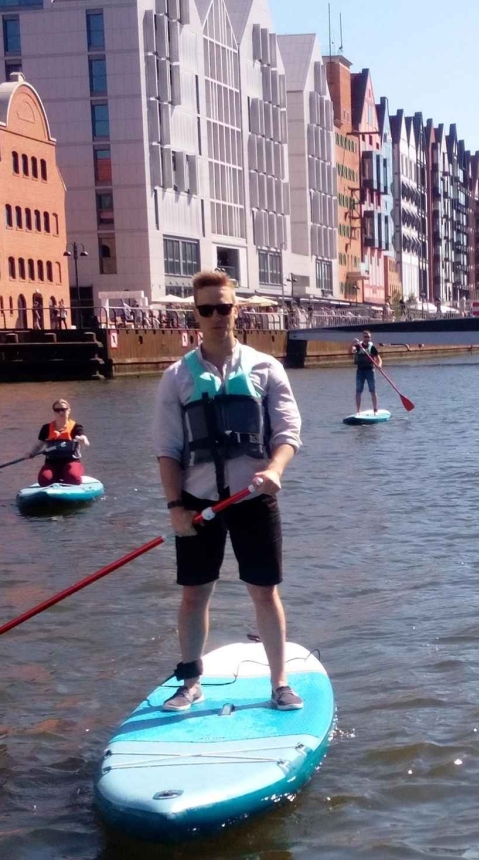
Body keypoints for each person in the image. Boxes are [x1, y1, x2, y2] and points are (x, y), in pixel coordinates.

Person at [153, 269, 304, 713]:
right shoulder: (176, 377)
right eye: (207, 309)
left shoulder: (266, 367)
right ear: (196, 314)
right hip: (199, 504)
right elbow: (167, 449)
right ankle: (189, 681)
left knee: (264, 590)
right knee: (194, 593)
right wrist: (175, 507)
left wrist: (275, 468)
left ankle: (279, 683)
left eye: (224, 307)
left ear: (236, 309)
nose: (217, 316)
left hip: (254, 499)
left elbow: (288, 432)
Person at [28, 399, 90, 485]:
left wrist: (82, 440)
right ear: (54, 412)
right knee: (44, 480)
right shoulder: (46, 428)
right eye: (57, 410)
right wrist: (31, 453)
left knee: (73, 479)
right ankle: (56, 476)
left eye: (63, 409)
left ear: (69, 410)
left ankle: (71, 474)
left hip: (71, 461)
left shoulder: (76, 427)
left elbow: (85, 440)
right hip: (52, 463)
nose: (60, 412)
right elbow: (38, 446)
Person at [350, 329, 380, 413]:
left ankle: (375, 409)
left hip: (370, 371)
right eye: (365, 337)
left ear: (370, 338)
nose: (367, 338)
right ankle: (358, 411)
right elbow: (350, 351)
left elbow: (379, 359)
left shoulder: (372, 347)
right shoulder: (358, 346)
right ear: (363, 337)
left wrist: (379, 365)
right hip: (360, 371)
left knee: (372, 390)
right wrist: (352, 344)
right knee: (358, 391)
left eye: (368, 337)